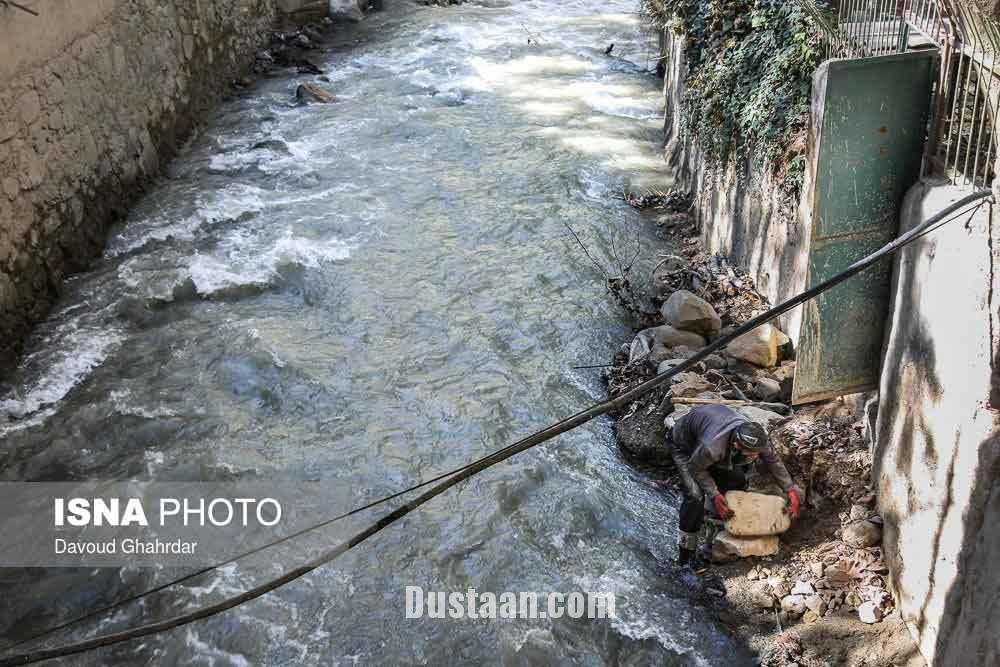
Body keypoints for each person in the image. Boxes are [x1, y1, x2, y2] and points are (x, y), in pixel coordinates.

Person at [665, 404, 802, 566]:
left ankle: (717, 521)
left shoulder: (757, 438)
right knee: (695, 497)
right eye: (752, 454)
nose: (757, 456)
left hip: (710, 441)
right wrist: (715, 494)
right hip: (684, 447)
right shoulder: (712, 447)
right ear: (737, 445)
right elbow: (696, 469)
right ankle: (685, 555)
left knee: (737, 481)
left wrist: (790, 491)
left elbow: (773, 461)